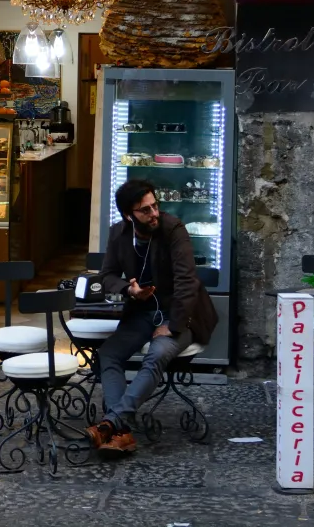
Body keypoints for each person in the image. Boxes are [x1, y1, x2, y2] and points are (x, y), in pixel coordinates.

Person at [86, 179, 218, 457]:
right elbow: (107, 275)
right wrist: (129, 290)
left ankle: (112, 423)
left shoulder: (174, 230)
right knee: (108, 354)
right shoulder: (118, 233)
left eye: (155, 206)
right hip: (142, 312)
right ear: (128, 215)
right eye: (145, 210)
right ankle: (120, 432)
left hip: (182, 314)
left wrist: (172, 325)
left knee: (156, 355)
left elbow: (187, 282)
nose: (154, 213)